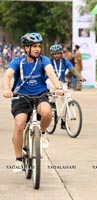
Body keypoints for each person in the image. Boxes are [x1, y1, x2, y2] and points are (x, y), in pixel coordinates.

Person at [2, 33, 64, 172]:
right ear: (26, 48)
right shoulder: (17, 61)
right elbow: (8, 75)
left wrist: (58, 87)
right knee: (19, 123)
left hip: (40, 94)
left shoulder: (44, 60)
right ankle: (18, 160)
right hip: (21, 96)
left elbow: (51, 73)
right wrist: (7, 89)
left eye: (39, 46)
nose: (37, 49)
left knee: (47, 112)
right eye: (34, 46)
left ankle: (41, 134)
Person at [48, 44, 86, 129]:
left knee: (65, 98)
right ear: (52, 55)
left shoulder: (64, 61)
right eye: (55, 54)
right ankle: (51, 102)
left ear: (61, 53)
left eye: (58, 53)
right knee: (57, 96)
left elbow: (72, 69)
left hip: (61, 81)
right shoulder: (49, 62)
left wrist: (80, 77)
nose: (56, 55)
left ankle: (63, 120)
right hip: (51, 81)